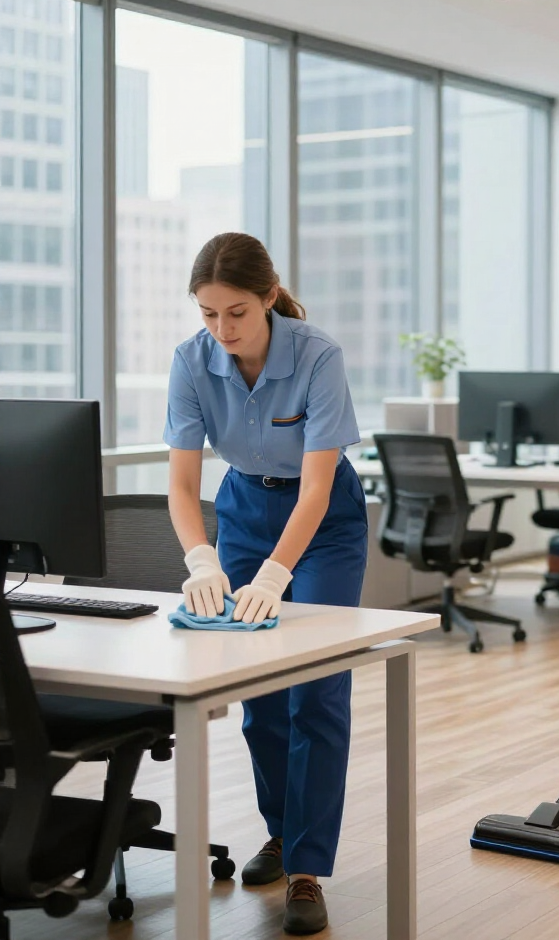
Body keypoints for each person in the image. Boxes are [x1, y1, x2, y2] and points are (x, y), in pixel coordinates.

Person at [164, 232, 367, 936]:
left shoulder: (317, 355)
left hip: (324, 520)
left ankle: (308, 868)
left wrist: (280, 572)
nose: (223, 331)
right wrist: (202, 557)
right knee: (260, 694)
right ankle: (283, 833)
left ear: (270, 298)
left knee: (315, 685)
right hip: (244, 509)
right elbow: (184, 486)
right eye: (209, 315)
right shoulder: (192, 363)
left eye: (237, 313)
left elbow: (316, 487)